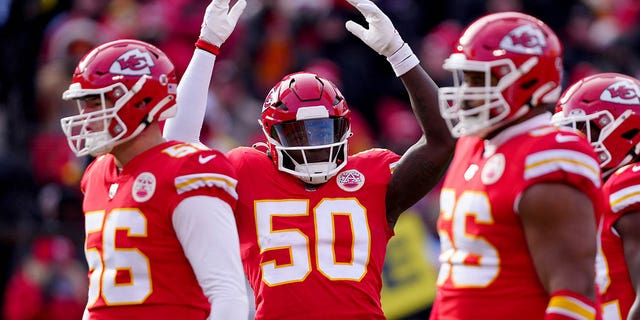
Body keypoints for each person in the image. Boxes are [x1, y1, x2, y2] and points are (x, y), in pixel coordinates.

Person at [163, 0, 455, 318]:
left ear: (345, 128)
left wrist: (399, 53)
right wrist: (206, 46)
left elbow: (442, 139)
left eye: (325, 130)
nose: (315, 144)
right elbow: (175, 155)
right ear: (270, 135)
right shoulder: (247, 169)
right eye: (299, 134)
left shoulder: (372, 175)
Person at [58, 38, 249, 319]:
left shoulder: (185, 172)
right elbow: (100, 295)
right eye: (83, 105)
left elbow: (228, 295)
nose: (85, 118)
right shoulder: (97, 174)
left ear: (141, 101)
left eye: (95, 103)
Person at [431, 11, 603, 319]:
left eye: (478, 79)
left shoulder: (548, 153)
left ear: (527, 79)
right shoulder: (471, 145)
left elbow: (575, 290)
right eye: (465, 78)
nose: (466, 93)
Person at [552, 72, 640, 320]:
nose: (574, 143)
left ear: (625, 130)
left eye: (583, 130)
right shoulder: (610, 187)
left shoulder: (628, 185)